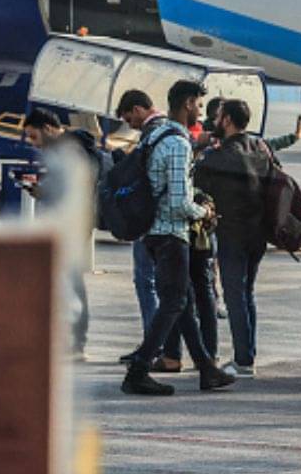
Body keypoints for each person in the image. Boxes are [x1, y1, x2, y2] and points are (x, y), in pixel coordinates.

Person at [120, 81, 235, 395]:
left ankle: (207, 369)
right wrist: (205, 213)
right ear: (187, 104)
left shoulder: (156, 134)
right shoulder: (178, 144)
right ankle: (139, 369)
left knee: (181, 303)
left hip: (154, 232)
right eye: (198, 105)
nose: (201, 111)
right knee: (173, 302)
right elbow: (178, 203)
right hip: (170, 233)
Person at [194, 98, 273, 376]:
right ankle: (247, 354)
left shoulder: (219, 157)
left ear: (226, 120)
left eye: (217, 117)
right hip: (259, 232)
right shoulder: (260, 148)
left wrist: (199, 147)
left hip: (232, 232)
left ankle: (243, 360)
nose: (214, 122)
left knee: (234, 294)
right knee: (246, 293)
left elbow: (197, 185)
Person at [22, 107, 109, 360]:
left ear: (48, 128)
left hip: (71, 226)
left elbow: (72, 192)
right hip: (68, 224)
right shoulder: (67, 149)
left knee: (70, 282)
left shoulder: (70, 151)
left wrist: (44, 192)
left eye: (34, 136)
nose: (33, 143)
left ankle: (76, 343)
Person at [114, 90, 160, 363]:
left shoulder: (152, 134)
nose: (130, 124)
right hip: (159, 222)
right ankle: (156, 344)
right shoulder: (167, 130)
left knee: (146, 282)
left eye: (130, 117)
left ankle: (152, 345)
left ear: (139, 109)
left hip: (149, 222)